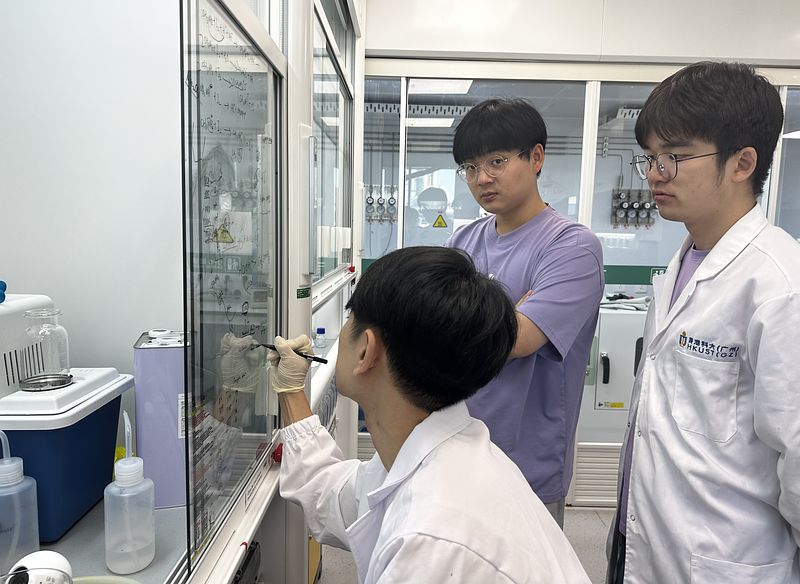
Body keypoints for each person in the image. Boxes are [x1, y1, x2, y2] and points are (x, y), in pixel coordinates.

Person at [268, 246, 591, 584]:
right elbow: (330, 493)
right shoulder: (447, 454)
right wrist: (291, 390)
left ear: (365, 350)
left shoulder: (430, 541)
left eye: (350, 318)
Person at [607, 61, 800, 583]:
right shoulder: (683, 263)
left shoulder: (780, 284)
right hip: (641, 536)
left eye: (675, 156)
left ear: (742, 163)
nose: (655, 173)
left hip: (725, 560)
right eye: (651, 157)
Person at [446, 98, 604, 527]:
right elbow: (429, 329)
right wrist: (504, 313)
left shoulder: (571, 246)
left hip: (525, 462)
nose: (482, 178)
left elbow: (516, 340)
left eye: (496, 161)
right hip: (454, 446)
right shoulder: (462, 242)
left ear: (536, 158)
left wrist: (472, 321)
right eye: (470, 167)